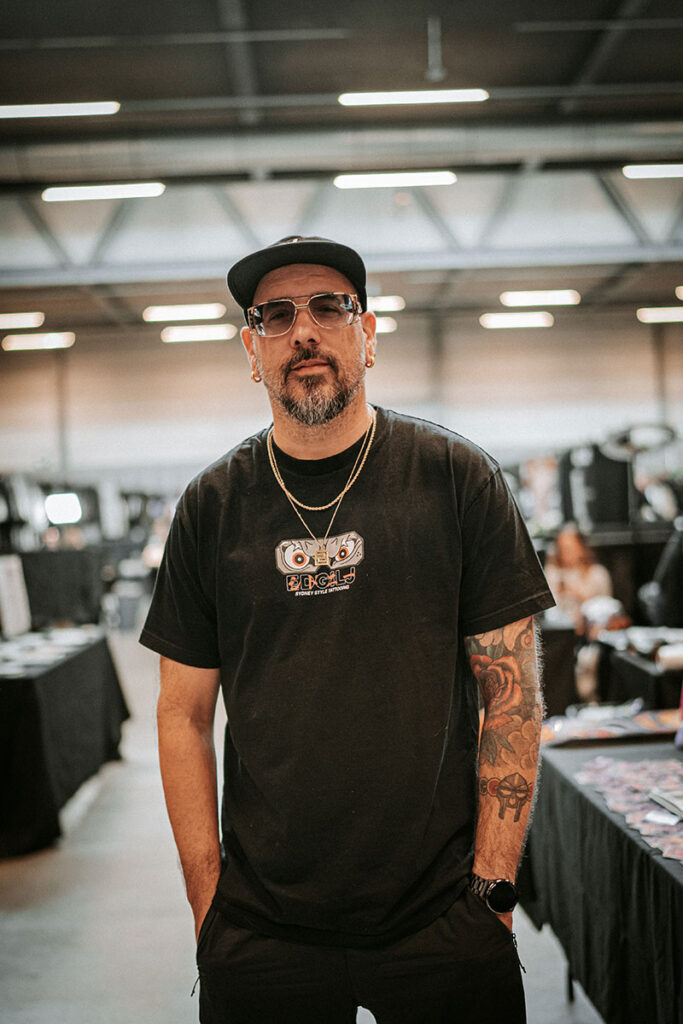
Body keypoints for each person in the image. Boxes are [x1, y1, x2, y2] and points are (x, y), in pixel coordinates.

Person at [140, 235, 555, 1024]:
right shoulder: (211, 507)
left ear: (366, 335)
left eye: (330, 307)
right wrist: (208, 905)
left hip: (440, 919)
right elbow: (180, 714)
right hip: (262, 929)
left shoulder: (454, 477)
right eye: (276, 315)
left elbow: (512, 697)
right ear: (250, 349)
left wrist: (493, 891)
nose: (304, 331)